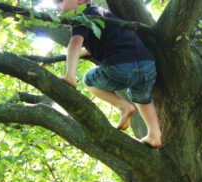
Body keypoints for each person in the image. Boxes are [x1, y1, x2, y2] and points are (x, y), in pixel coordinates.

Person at [54, 0, 162, 147]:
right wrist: (86, 52)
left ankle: (123, 106)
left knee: (89, 80)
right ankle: (154, 135)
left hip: (121, 67)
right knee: (142, 98)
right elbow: (111, 40)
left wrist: (70, 76)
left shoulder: (82, 17)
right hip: (147, 65)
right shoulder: (102, 14)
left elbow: (75, 42)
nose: (58, 7)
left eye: (60, 2)